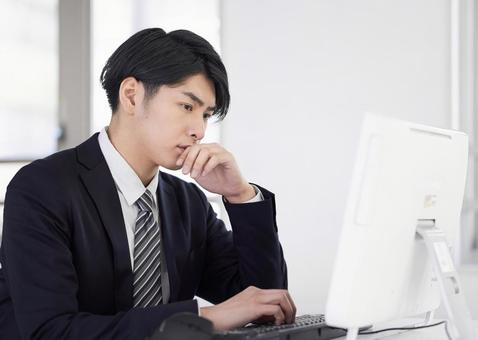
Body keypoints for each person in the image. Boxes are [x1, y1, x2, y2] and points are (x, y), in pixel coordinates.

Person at [0, 28, 296, 340]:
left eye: (206, 115)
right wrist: (201, 318)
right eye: (187, 106)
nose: (198, 129)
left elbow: (265, 303)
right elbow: (51, 332)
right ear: (131, 95)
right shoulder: (42, 188)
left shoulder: (187, 201)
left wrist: (240, 195)